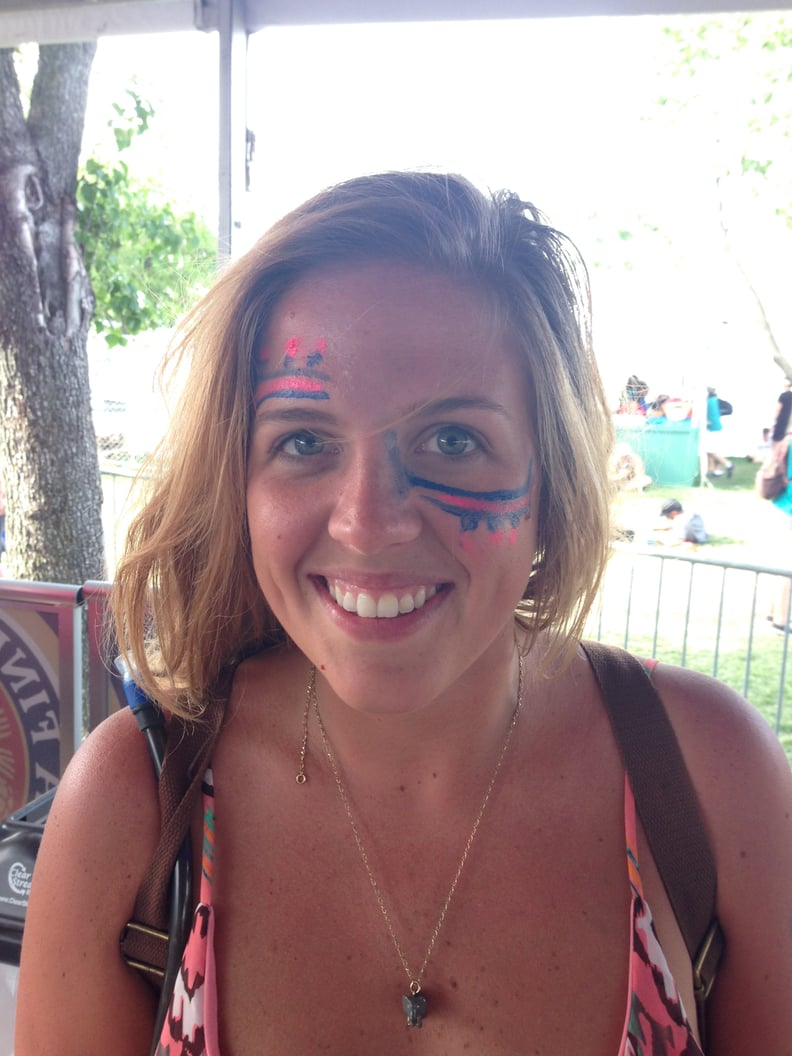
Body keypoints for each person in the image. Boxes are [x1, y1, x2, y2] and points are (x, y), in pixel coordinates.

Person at [15, 172, 792, 1056]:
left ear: (551, 478)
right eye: (303, 441)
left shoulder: (707, 779)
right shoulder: (132, 810)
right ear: (239, 482)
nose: (370, 523)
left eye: (453, 439)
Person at [705, 387, 733, 478]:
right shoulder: (714, 400)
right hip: (715, 428)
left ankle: (728, 464)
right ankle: (713, 470)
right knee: (711, 450)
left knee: (709, 450)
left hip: (713, 429)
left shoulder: (709, 402)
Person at [771, 377, 792, 453]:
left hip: (781, 422)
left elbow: (778, 409)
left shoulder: (783, 395)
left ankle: (774, 459)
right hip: (788, 424)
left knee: (776, 442)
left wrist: (773, 422)